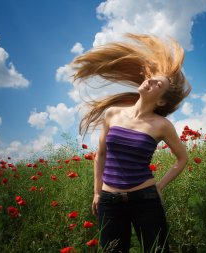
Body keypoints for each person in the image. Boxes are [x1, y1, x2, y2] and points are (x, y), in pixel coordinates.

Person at [71, 33, 191, 253]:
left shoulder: (161, 125)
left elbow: (182, 159)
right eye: (152, 78)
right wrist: (97, 192)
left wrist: (159, 186)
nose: (150, 81)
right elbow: (101, 154)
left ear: (162, 100)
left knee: (158, 250)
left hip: (145, 199)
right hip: (109, 201)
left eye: (158, 84)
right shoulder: (112, 114)